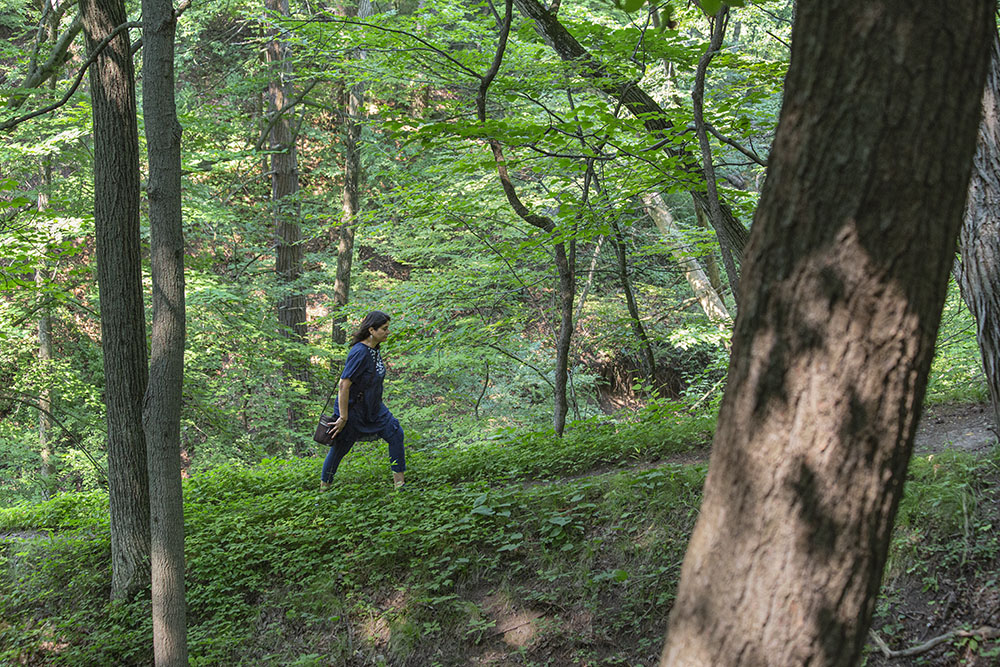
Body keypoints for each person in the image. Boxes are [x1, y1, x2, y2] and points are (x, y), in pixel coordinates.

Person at [320, 311, 406, 491]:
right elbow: (344, 384)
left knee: (395, 433)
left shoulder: (375, 349)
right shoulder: (359, 352)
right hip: (353, 411)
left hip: (374, 409)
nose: (387, 332)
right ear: (371, 330)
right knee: (340, 449)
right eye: (384, 329)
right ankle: (323, 491)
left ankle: (400, 486)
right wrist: (343, 418)